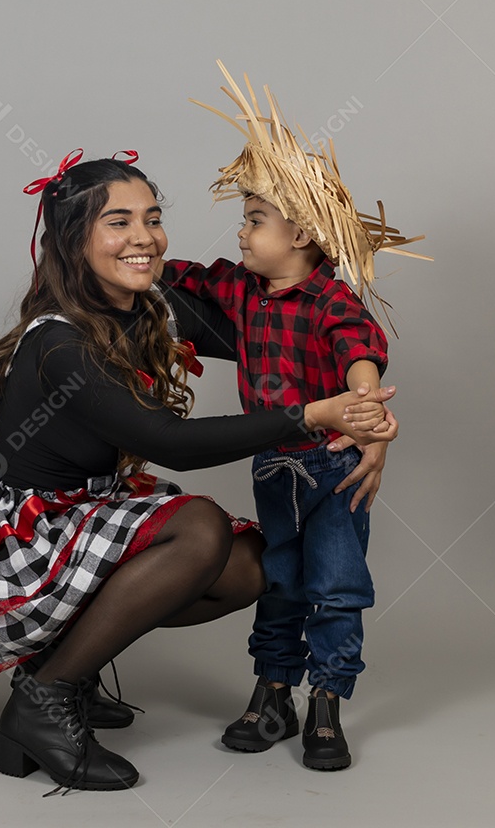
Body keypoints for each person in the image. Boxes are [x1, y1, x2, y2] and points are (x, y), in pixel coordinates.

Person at [0, 152, 398, 793]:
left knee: (252, 563)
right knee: (199, 529)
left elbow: (292, 333)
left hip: (85, 509)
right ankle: (45, 699)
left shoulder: (147, 305)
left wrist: (365, 420)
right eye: (119, 222)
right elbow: (169, 443)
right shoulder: (61, 342)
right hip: (21, 534)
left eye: (153, 218)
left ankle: (61, 664)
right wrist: (309, 416)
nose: (144, 237)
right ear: (74, 240)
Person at [161, 62, 430, 771]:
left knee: (336, 586)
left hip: (334, 465)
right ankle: (273, 691)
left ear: (303, 233)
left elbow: (359, 350)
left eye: (255, 220)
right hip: (274, 463)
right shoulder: (241, 290)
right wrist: (139, 257)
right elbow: (182, 276)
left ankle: (327, 703)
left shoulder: (331, 300)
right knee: (279, 579)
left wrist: (364, 406)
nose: (242, 232)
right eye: (245, 219)